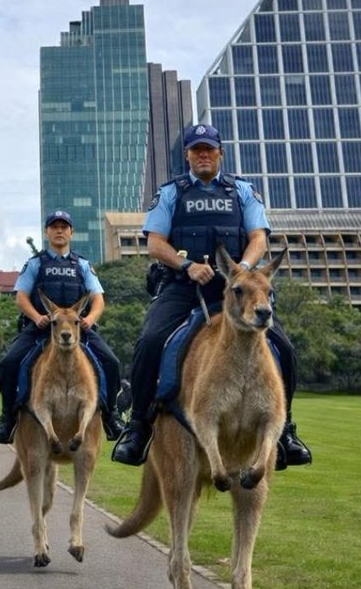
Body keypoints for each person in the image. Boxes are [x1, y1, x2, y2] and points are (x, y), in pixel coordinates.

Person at [112, 123, 312, 468]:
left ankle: (286, 432)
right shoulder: (171, 193)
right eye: (196, 150)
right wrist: (187, 264)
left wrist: (240, 271)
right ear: (187, 155)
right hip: (184, 287)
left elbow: (259, 239)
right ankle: (138, 428)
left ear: (220, 153)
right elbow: (156, 243)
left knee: (284, 346)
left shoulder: (243, 191)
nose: (203, 155)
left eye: (209, 149)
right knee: (149, 340)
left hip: (236, 289)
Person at [0, 211, 126, 445]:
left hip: (76, 328)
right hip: (41, 327)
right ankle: (7, 419)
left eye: (64, 226)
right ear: (47, 232)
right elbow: (21, 297)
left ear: (71, 232)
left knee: (112, 362)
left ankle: (111, 416)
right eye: (54, 227)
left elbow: (98, 299)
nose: (59, 230)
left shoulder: (83, 265)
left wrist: (90, 319)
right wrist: (36, 317)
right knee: (9, 363)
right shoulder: (35, 264)